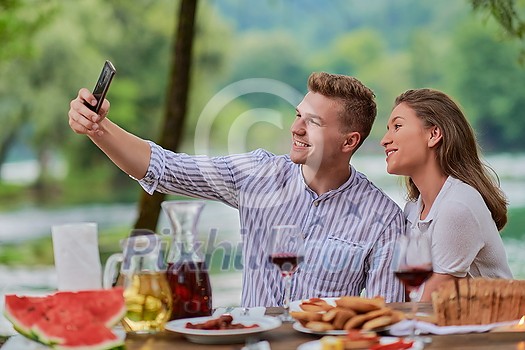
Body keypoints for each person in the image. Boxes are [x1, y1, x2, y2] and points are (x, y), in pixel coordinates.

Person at [69, 72, 405, 306]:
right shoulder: (258, 174)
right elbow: (165, 168)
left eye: (312, 122)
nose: (295, 128)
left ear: (349, 141)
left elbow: (382, 317)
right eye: (298, 115)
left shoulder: (383, 220)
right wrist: (98, 128)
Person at [380, 88, 513, 302]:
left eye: (397, 126)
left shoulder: (457, 207)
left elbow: (426, 306)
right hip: (448, 330)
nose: (384, 140)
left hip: (490, 332)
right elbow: (408, 298)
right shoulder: (414, 209)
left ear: (433, 134)